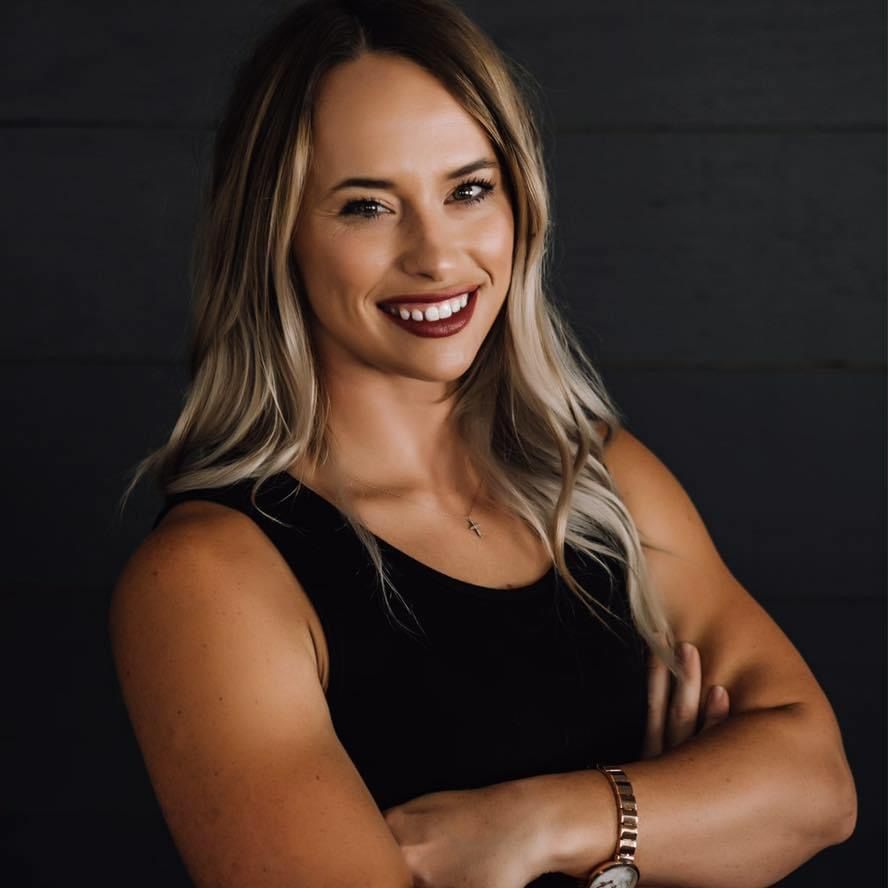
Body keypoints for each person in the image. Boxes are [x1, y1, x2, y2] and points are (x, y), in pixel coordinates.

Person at [109, 1, 856, 886]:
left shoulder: (599, 476)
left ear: (520, 202)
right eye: (367, 206)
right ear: (278, 236)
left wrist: (541, 823)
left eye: (469, 189)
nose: (437, 254)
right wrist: (669, 818)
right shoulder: (212, 577)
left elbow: (817, 790)